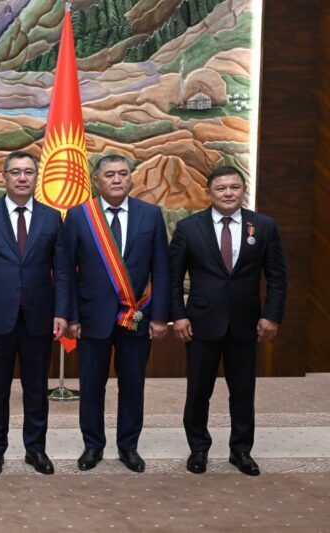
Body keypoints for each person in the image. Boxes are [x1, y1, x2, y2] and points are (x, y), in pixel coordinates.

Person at [170, 166, 287, 476]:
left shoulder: (263, 226)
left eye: (234, 187)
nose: (228, 193)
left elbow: (277, 276)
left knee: (243, 390)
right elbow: (172, 279)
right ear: (208, 192)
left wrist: (271, 315)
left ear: (243, 190)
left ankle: (241, 450)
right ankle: (198, 448)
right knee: (198, 391)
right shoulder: (188, 228)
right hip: (201, 323)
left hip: (246, 323)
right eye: (221, 188)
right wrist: (178, 316)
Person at [62, 154, 169, 473]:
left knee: (133, 385)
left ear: (131, 178)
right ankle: (93, 445)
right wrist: (71, 317)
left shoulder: (150, 214)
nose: (117, 179)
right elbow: (66, 271)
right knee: (92, 386)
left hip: (137, 316)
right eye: (109, 174)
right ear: (97, 181)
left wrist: (160, 316)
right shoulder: (79, 216)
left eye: (123, 173)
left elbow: (162, 269)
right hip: (91, 318)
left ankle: (128, 446)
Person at [0, 150, 68, 476]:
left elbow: (62, 271)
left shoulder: (52, 217)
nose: (22, 178)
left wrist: (62, 311)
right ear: (4, 177)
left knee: (36, 389)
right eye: (15, 172)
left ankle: (35, 449)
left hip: (39, 316)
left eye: (28, 172)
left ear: (37, 177)